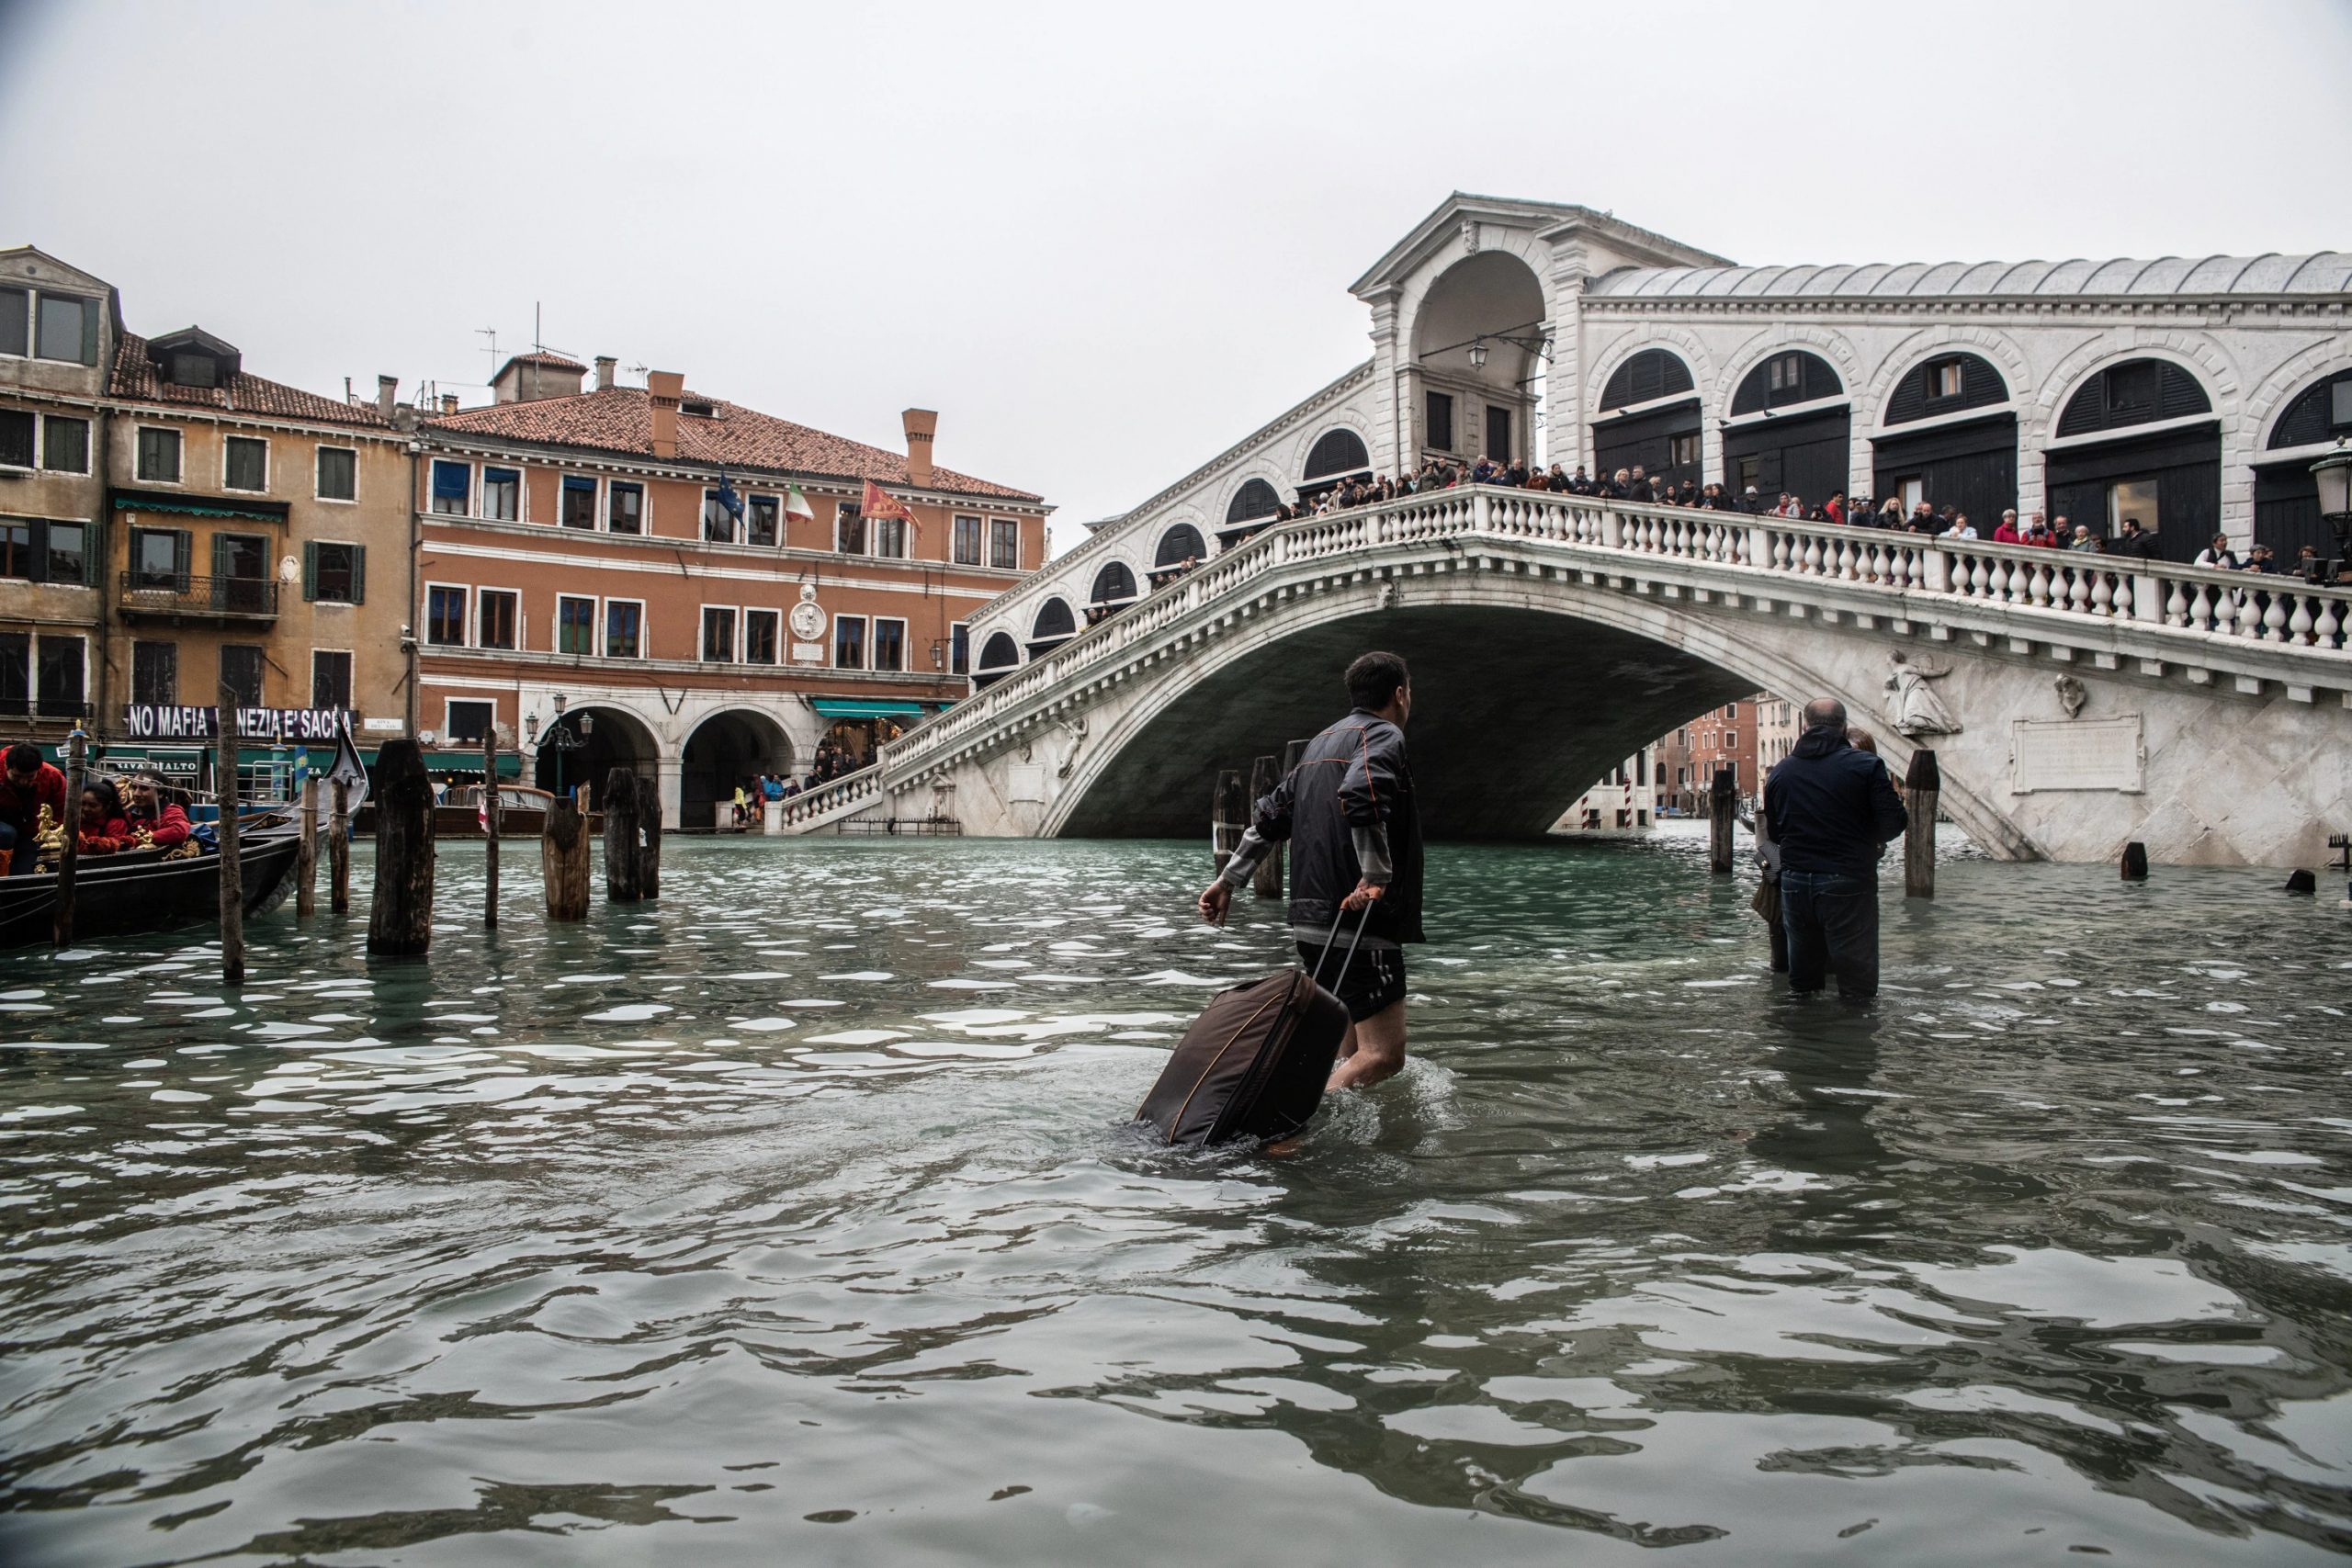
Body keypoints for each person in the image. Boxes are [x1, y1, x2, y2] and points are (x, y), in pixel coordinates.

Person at [1198, 651, 1421, 1092]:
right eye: (1409, 692)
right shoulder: (1385, 737)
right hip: (1359, 918)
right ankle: (1291, 1122)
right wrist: (1375, 876)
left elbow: (1269, 818)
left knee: (1347, 1051)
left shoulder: (1320, 743)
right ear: (1399, 694)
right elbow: (1362, 792)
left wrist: (1228, 880)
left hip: (1310, 921)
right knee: (1383, 1056)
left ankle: (1326, 1133)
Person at [1763, 698, 1906, 999]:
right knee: (1857, 986)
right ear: (1843, 727)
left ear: (1805, 726)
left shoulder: (1780, 772)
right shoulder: (1867, 765)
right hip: (1848, 880)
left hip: (1796, 883)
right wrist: (1863, 837)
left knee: (1803, 983)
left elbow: (1775, 833)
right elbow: (1894, 823)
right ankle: (1855, 1038)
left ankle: (1804, 1037)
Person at [0, 741, 68, 875]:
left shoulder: (53, 777)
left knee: (24, 872)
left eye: (30, 777)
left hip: (31, 831)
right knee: (7, 834)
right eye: (17, 776)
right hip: (4, 828)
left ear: (39, 769)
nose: (23, 782)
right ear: (6, 766)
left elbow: (61, 815)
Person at [124, 773, 193, 848]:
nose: (136, 793)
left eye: (144, 788)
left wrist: (143, 839)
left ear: (160, 793)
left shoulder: (172, 812)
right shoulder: (127, 812)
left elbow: (179, 831)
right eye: (134, 788)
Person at [74, 781, 134, 855]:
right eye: (82, 804)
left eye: (92, 805)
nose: (86, 809)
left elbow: (113, 849)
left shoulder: (116, 824)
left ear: (107, 806)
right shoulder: (76, 819)